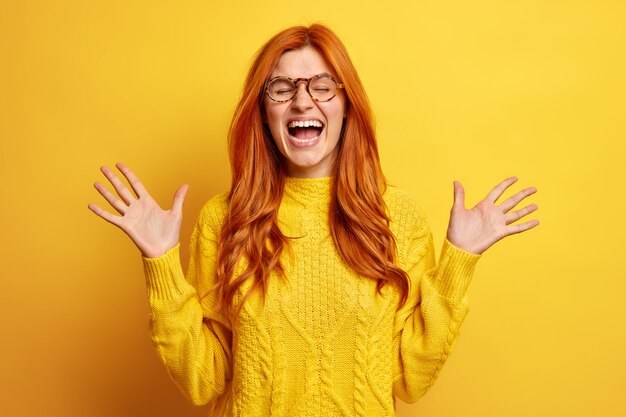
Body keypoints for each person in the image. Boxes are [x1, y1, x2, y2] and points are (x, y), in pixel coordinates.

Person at [88, 24, 539, 417]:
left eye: (322, 85)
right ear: (264, 112)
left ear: (347, 104)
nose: (303, 101)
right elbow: (204, 381)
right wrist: (160, 264)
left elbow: (409, 380)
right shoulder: (225, 219)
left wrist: (458, 264)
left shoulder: (396, 217)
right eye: (281, 89)